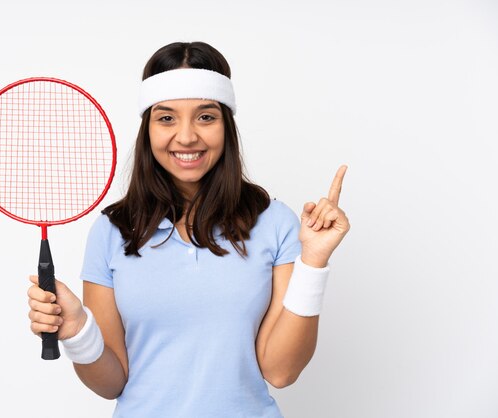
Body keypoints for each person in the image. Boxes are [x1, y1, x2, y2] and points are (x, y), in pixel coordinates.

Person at [27, 41, 350, 417]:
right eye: (166, 118)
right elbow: (112, 383)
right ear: (147, 128)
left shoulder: (275, 223)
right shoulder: (112, 231)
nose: (186, 137)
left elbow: (280, 371)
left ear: (226, 125)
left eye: (205, 117)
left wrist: (312, 263)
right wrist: (78, 330)